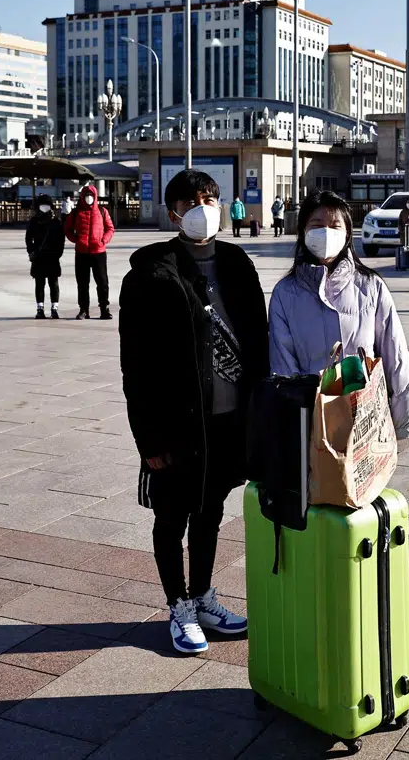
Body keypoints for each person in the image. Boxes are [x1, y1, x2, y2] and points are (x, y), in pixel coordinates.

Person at [119, 168, 267, 655]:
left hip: (228, 420)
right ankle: (178, 605)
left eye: (210, 198)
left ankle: (203, 596)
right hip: (177, 423)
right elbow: (135, 365)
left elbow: (258, 340)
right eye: (192, 202)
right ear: (174, 213)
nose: (204, 208)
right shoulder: (149, 274)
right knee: (171, 516)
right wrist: (148, 439)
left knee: (210, 512)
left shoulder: (237, 263)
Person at [270, 190, 409, 440]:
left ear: (348, 233)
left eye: (334, 225)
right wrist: (296, 420)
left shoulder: (371, 286)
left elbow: (395, 354)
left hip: (366, 418)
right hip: (311, 424)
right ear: (303, 231)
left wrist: (405, 417)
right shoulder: (285, 293)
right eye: (317, 225)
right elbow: (282, 364)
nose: (326, 232)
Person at [65, 184, 115, 319]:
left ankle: (104, 309)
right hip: (81, 253)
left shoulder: (102, 211)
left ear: (95, 196)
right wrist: (76, 240)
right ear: (82, 197)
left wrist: (103, 240)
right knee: (82, 283)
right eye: (86, 195)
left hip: (99, 252)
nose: (89, 198)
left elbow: (110, 228)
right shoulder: (76, 212)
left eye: (91, 195)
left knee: (102, 282)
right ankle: (83, 309)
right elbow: (67, 229)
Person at [25, 193, 66, 319]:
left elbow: (61, 240)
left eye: (47, 205)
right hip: (39, 257)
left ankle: (54, 308)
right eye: (42, 205)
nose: (44, 207)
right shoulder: (34, 221)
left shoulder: (56, 222)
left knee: (54, 283)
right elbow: (28, 238)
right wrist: (31, 251)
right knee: (39, 283)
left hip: (53, 256)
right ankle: (40, 309)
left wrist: (58, 253)